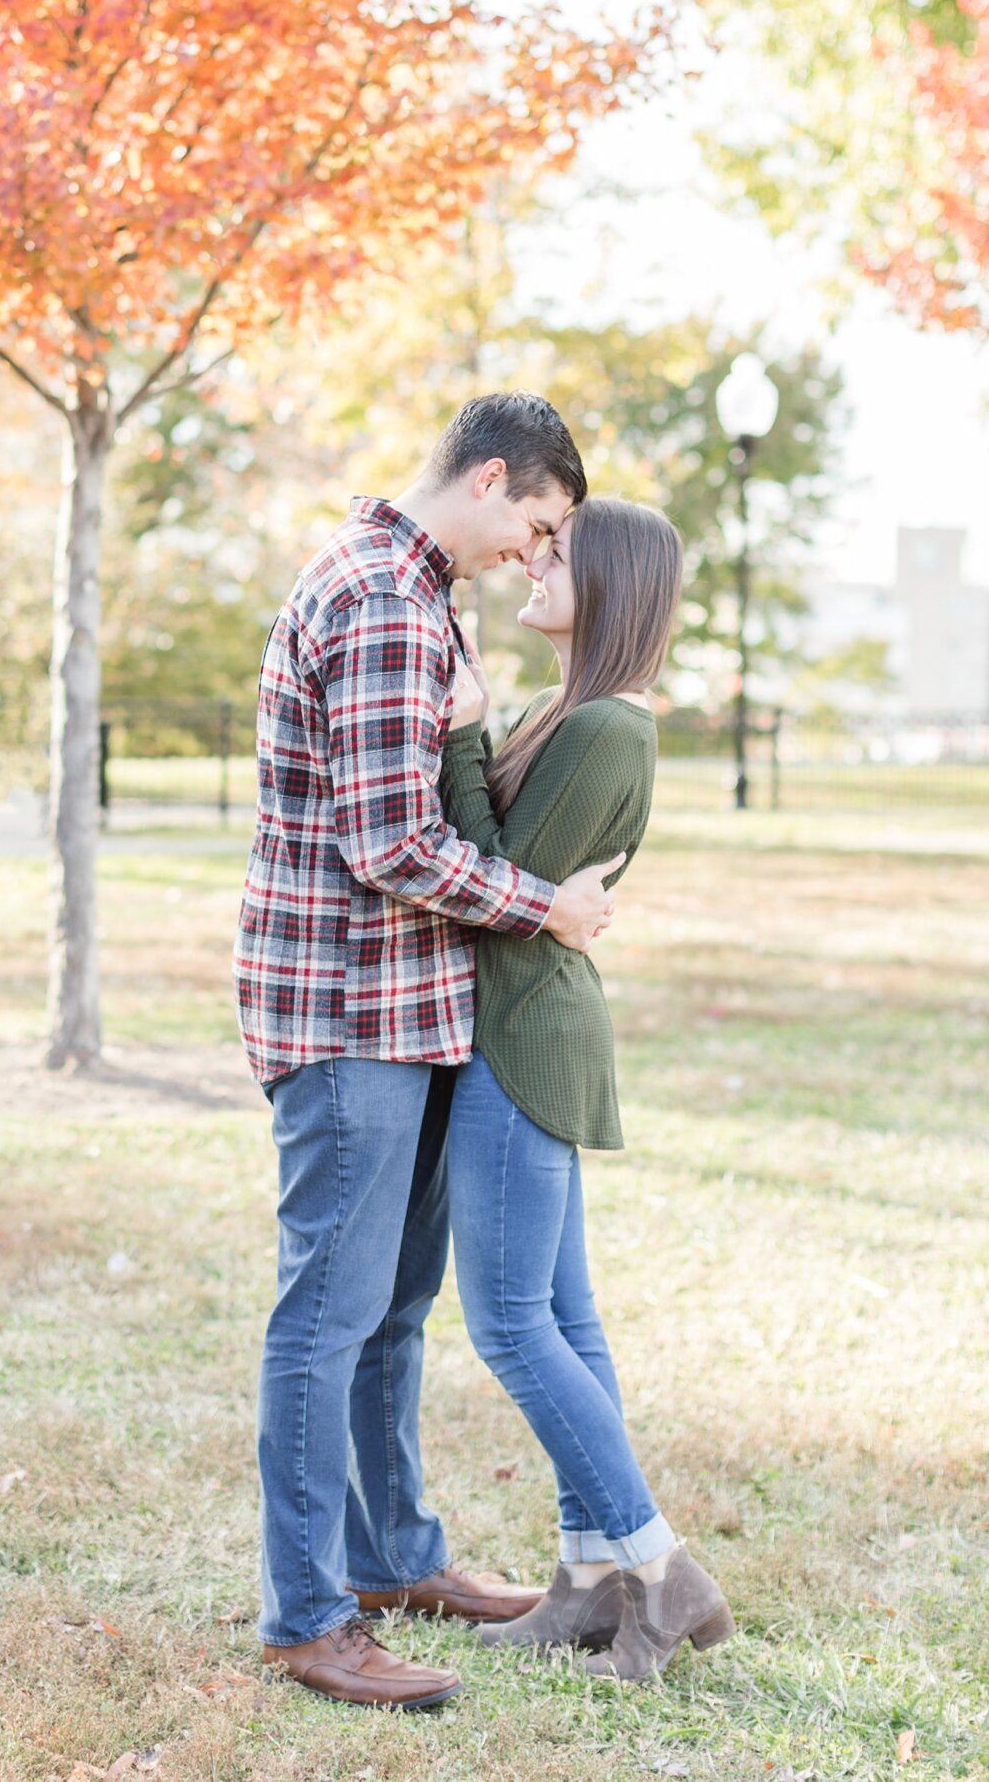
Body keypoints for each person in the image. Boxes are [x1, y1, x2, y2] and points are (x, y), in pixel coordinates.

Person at [234, 394, 625, 1712]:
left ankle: (394, 1557)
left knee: (391, 1312)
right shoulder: (385, 599)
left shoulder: (414, 592)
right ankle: (308, 1614)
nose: (536, 550)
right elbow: (389, 844)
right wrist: (549, 905)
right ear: (493, 477)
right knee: (326, 1321)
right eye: (541, 521)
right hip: (349, 1019)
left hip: (406, 1016)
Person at [440, 496, 736, 1681]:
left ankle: (663, 1574)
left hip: (524, 1034)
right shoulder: (567, 710)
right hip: (524, 1023)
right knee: (562, 1321)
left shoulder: (608, 726)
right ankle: (584, 1575)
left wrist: (459, 737)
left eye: (555, 552)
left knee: (511, 1325)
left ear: (608, 584)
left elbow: (493, 885)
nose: (531, 558)